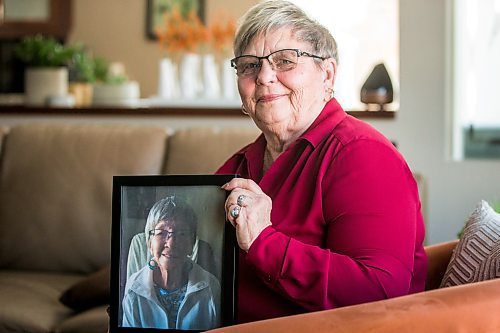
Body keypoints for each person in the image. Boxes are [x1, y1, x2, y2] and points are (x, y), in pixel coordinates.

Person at [217, 0, 427, 324]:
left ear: (327, 73)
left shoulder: (363, 155)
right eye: (248, 65)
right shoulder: (238, 165)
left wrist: (264, 242)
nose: (264, 77)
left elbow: (380, 291)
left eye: (285, 60)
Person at [122, 196, 220, 330]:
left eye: (181, 234)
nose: (171, 243)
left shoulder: (211, 287)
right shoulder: (134, 289)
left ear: (192, 244)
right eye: (161, 233)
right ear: (149, 242)